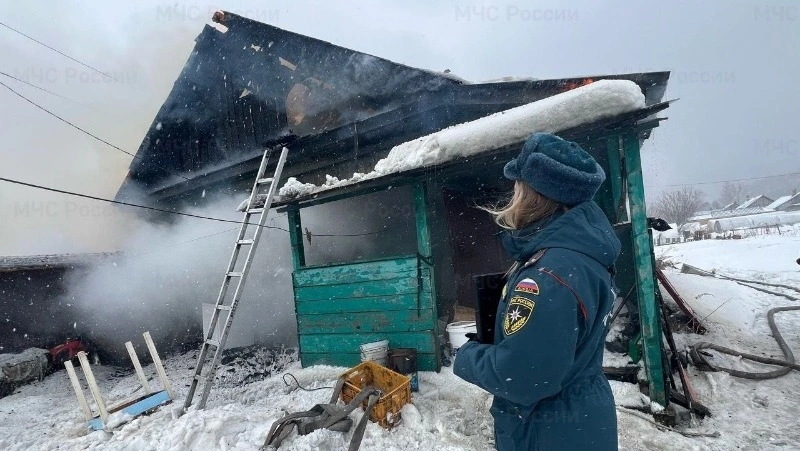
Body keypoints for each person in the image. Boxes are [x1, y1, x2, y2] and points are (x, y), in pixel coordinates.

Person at [454, 132, 621, 451]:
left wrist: (466, 356)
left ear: (531, 194)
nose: (513, 191)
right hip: (578, 418)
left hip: (549, 430)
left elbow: (523, 378)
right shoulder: (581, 255)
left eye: (517, 184)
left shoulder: (547, 275)